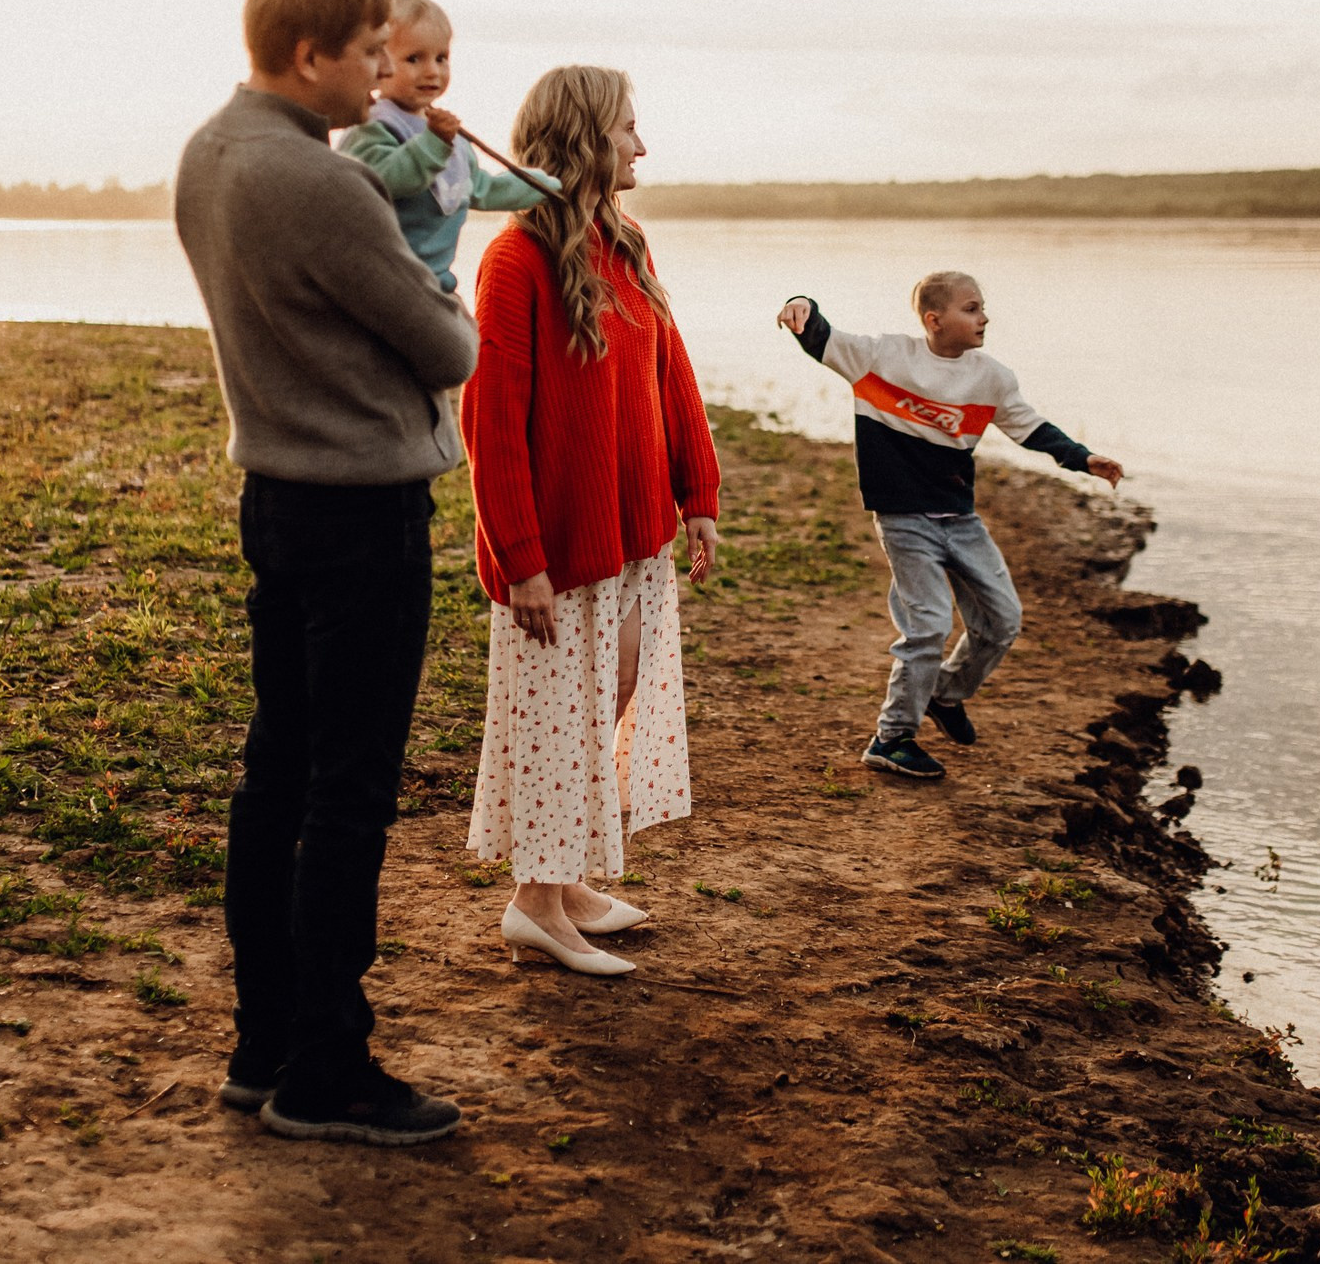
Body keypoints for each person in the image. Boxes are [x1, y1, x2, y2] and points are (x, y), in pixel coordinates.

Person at [173, 0, 477, 1147]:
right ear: (309, 56)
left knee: (278, 778)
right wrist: (443, 296)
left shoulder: (207, 151)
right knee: (348, 791)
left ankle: (265, 1041)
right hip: (361, 510)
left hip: (278, 496)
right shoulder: (323, 180)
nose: (378, 71)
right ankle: (328, 1064)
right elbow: (447, 347)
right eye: (365, 51)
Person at [461, 66, 721, 975]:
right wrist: (520, 557)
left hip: (634, 530)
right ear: (582, 139)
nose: (641, 145)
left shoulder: (627, 241)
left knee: (607, 695)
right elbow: (492, 420)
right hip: (559, 546)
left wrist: (698, 493)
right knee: (555, 717)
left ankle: (564, 881)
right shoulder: (514, 259)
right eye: (626, 130)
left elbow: (670, 371)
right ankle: (534, 904)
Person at [776, 274, 1123, 781]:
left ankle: (945, 692)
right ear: (934, 320)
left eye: (982, 308)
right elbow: (820, 337)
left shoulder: (992, 377)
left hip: (960, 520)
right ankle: (892, 738)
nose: (984, 318)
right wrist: (800, 302)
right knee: (929, 626)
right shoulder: (883, 357)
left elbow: (1029, 427)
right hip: (903, 520)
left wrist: (1082, 458)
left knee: (1002, 620)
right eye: (972, 308)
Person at [334, 0, 557, 292]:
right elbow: (385, 178)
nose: (432, 71)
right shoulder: (372, 125)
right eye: (414, 58)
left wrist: (546, 185)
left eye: (441, 58)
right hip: (380, 284)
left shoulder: (448, 136)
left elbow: (482, 189)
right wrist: (434, 142)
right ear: (379, 62)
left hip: (435, 284)